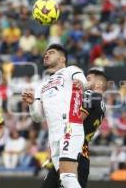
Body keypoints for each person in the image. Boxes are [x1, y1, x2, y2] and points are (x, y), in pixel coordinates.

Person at [22, 44, 87, 188]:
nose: (46, 55)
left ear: (62, 58)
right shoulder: (41, 86)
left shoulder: (71, 70)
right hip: (54, 134)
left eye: (51, 52)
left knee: (67, 176)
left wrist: (80, 84)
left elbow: (83, 82)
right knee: (65, 180)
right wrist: (32, 104)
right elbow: (38, 117)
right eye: (45, 53)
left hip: (70, 125)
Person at [39, 69, 108, 188]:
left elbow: (78, 118)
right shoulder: (102, 105)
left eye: (89, 79)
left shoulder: (89, 94)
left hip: (71, 150)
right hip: (84, 153)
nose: (85, 81)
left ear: (99, 84)